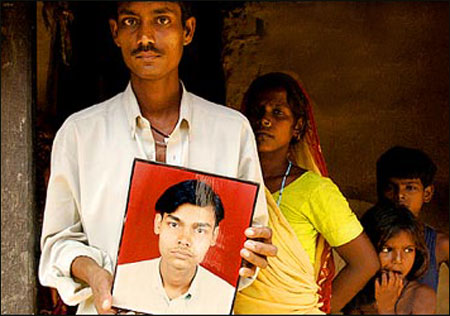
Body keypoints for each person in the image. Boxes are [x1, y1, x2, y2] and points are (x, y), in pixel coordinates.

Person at [38, 2, 277, 314]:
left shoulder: (232, 132)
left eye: (162, 20)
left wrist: (251, 251)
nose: (145, 37)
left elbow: (250, 235)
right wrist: (95, 276)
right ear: (116, 33)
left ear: (187, 30)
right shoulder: (80, 134)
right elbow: (57, 244)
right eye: (130, 21)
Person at [234, 72, 379, 314]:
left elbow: (365, 263)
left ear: (297, 127)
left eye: (278, 112)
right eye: (258, 111)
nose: (265, 120)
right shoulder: (233, 180)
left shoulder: (315, 190)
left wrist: (323, 310)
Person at [113, 180, 235, 314]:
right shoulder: (122, 279)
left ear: (214, 235)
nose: (184, 240)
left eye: (199, 230)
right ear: (158, 224)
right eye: (174, 225)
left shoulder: (225, 296)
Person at [376, 146, 449, 292]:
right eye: (391, 188)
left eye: (410, 188)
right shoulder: (364, 238)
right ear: (380, 191)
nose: (399, 196)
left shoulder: (439, 244)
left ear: (427, 193)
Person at [343, 203, 437, 314]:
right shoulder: (358, 289)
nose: (398, 259)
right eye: (387, 250)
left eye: (408, 250)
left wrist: (387, 308)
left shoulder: (421, 296)